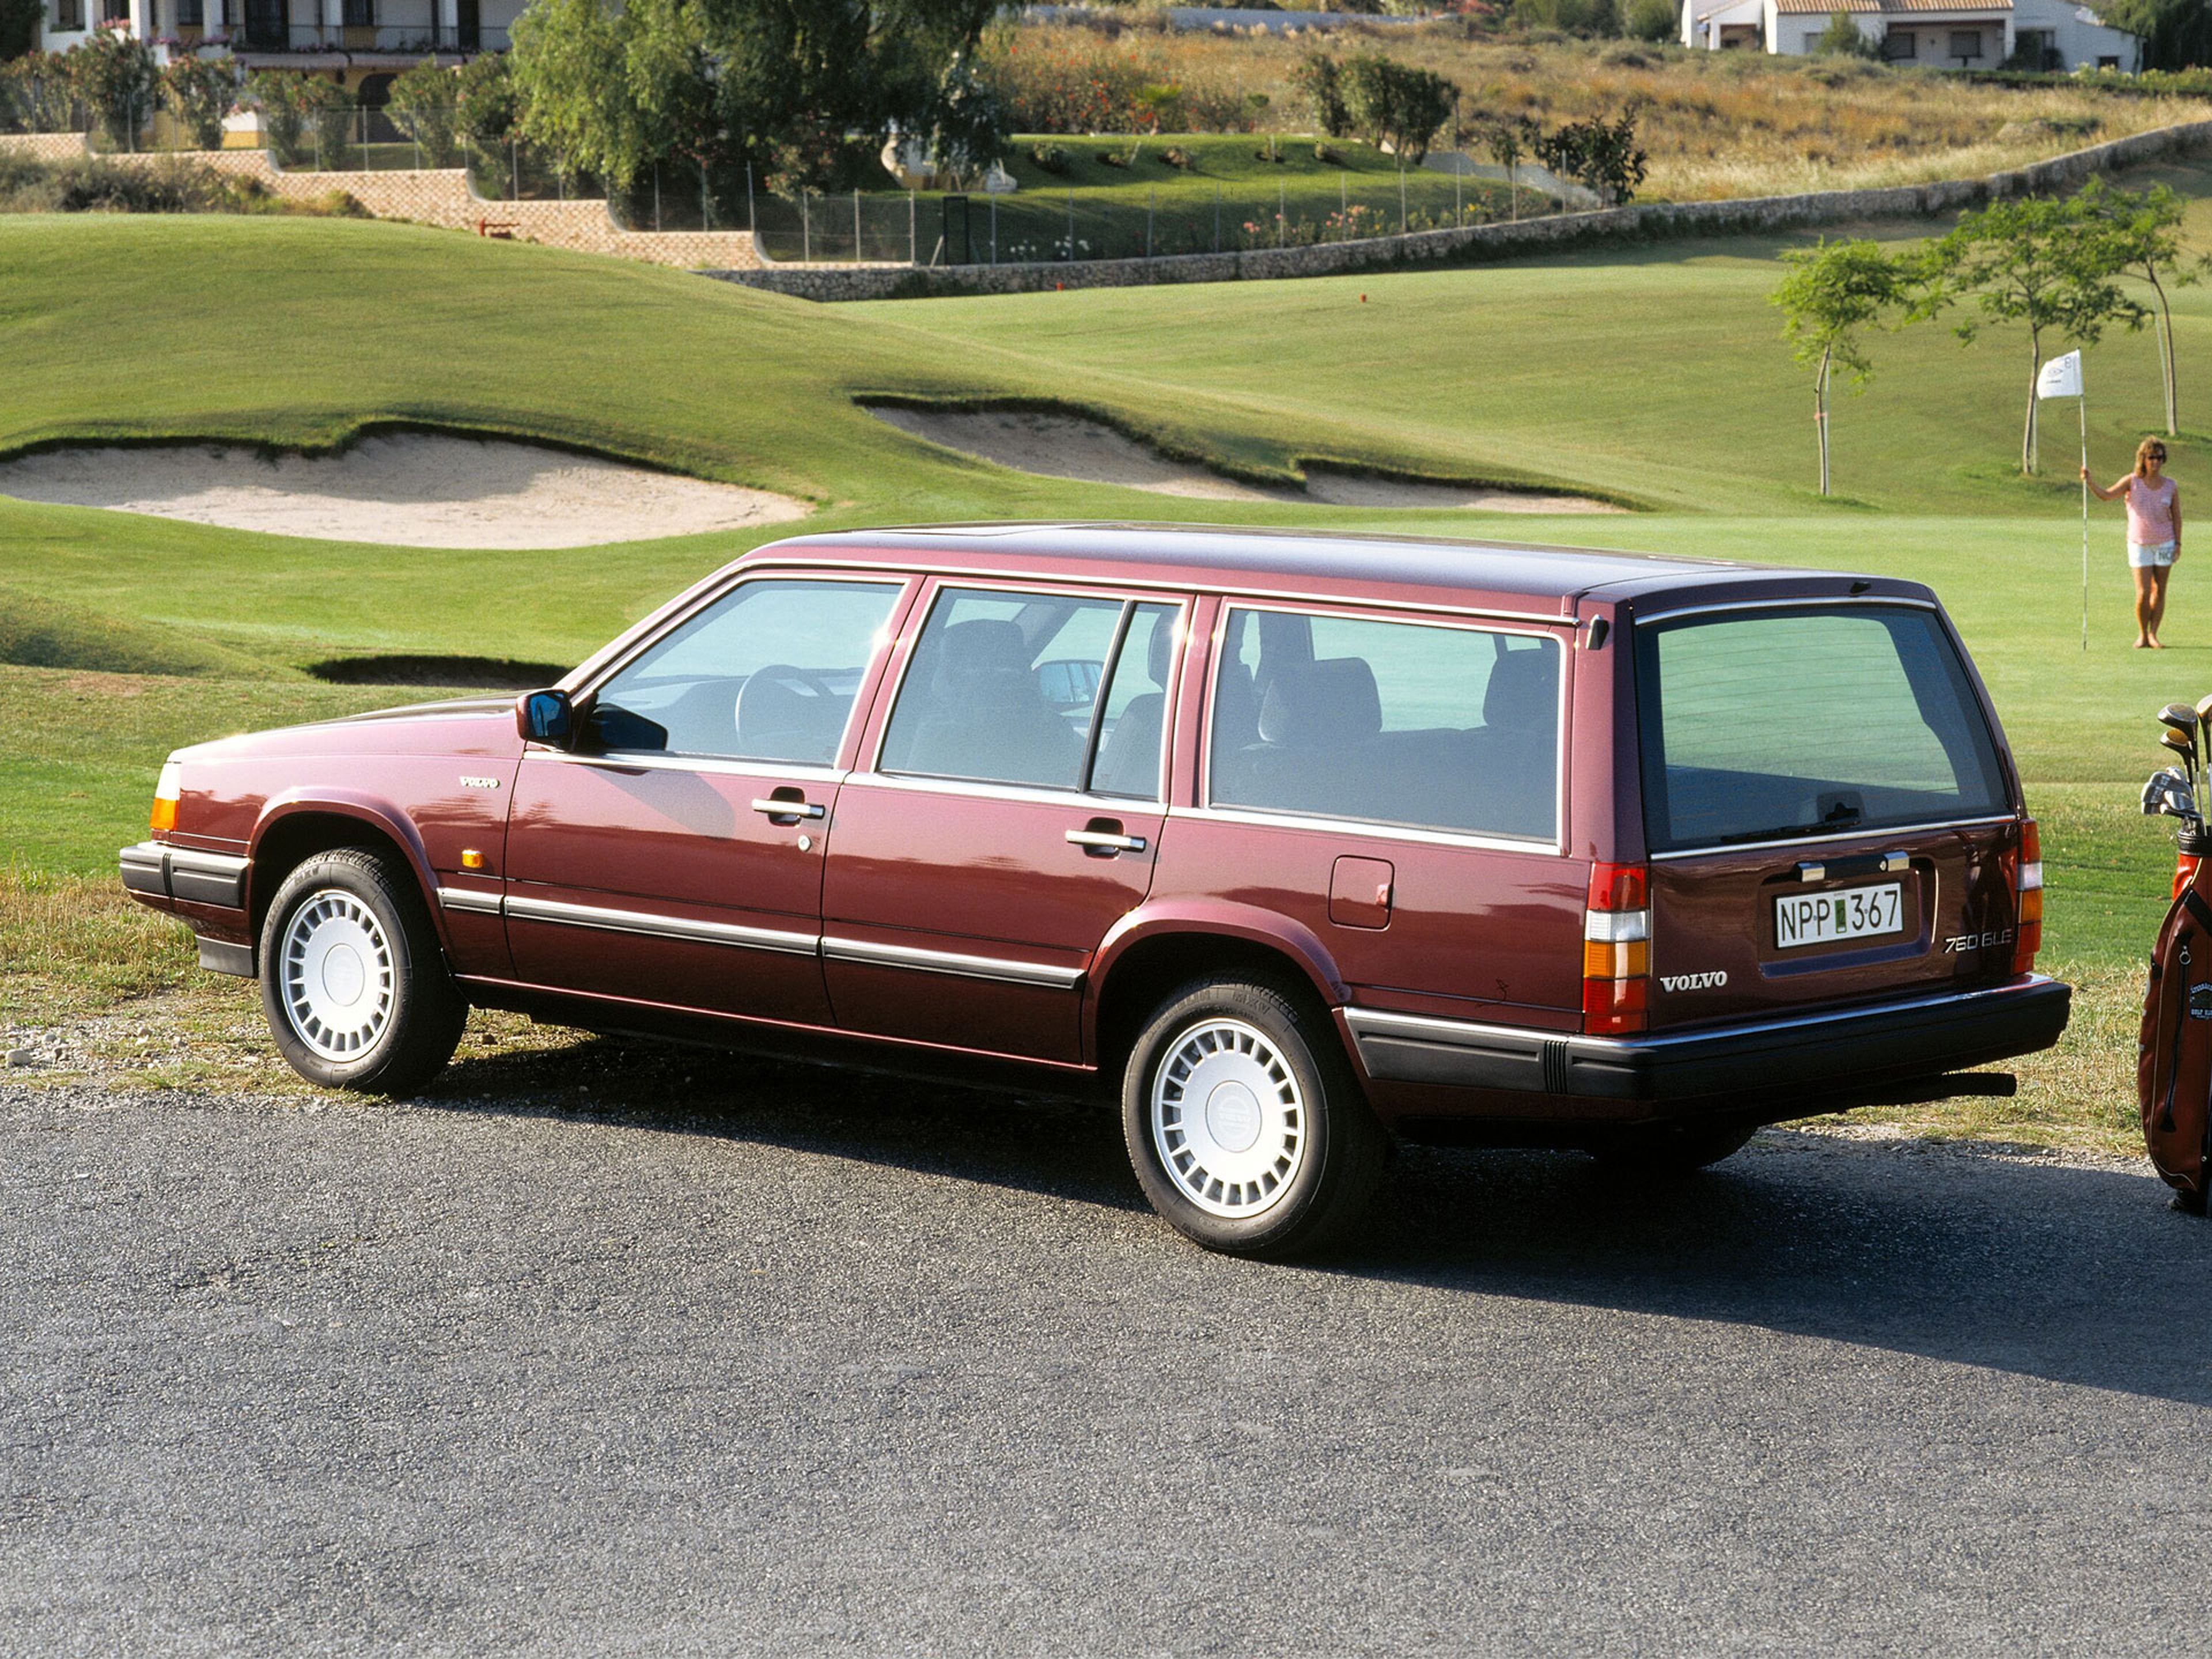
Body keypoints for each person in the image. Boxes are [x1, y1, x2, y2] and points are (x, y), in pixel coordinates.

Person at [2085, 439, 2184, 649]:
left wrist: (2178, 543)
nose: (2155, 462)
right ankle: (2142, 635)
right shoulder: (2132, 482)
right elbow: (2107, 495)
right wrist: (2090, 482)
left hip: (2165, 543)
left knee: (2160, 591)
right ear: (2143, 459)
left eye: (2159, 458)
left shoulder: (2170, 485)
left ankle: (2153, 634)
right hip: (2139, 544)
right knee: (2143, 593)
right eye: (2151, 458)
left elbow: (2177, 516)